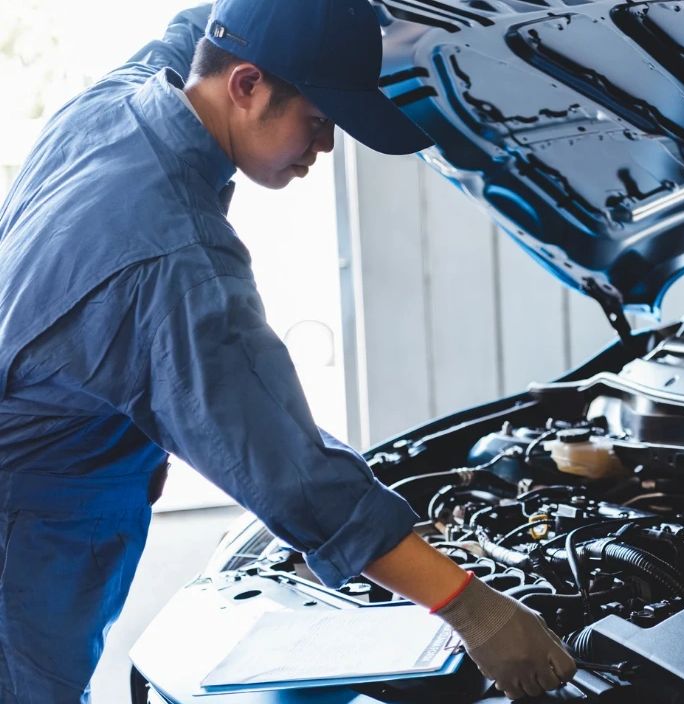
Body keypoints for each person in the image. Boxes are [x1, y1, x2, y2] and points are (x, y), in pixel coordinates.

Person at [0, 0, 576, 702]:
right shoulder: (175, 262)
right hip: (23, 547)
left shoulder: (119, 103)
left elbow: (196, 28)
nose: (325, 147)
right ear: (245, 85)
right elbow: (292, 472)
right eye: (318, 120)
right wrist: (472, 607)